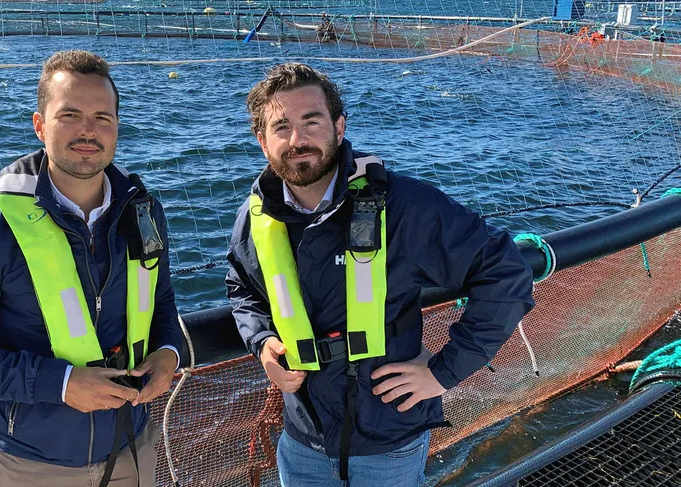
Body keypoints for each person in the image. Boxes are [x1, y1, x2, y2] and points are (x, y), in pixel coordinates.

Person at [225, 63, 535, 486]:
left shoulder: (404, 206)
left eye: (311, 121)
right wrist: (262, 343)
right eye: (281, 127)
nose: (298, 140)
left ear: (338, 125)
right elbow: (243, 289)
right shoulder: (253, 218)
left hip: (389, 447)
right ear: (262, 141)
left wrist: (444, 370)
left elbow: (505, 271)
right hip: (301, 444)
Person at [0, 50, 182, 487]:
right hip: (32, 464)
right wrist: (59, 384)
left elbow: (162, 302)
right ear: (40, 125)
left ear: (117, 127)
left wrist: (168, 354)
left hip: (133, 446)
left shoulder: (145, 211)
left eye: (103, 117)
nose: (88, 130)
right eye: (70, 114)